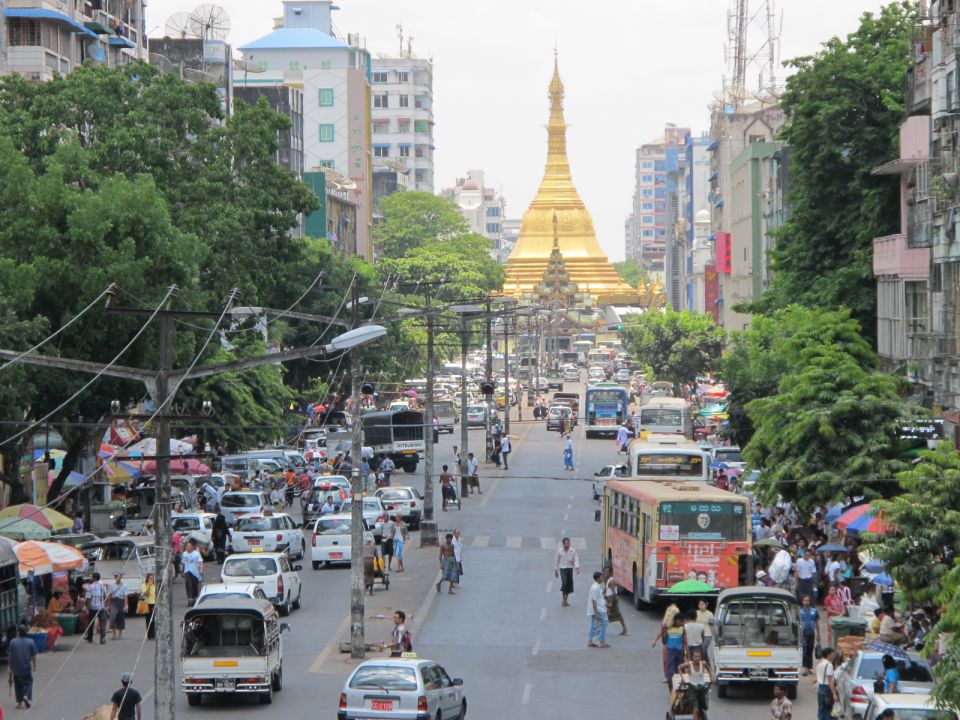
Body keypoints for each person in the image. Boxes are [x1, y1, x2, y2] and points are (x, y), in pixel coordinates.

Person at [678, 647, 714, 720]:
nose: (697, 658)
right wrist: (682, 678)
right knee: (695, 708)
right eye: (696, 657)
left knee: (704, 707)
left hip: (701, 689)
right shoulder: (689, 664)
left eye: (699, 657)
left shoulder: (703, 663)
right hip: (692, 689)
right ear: (692, 657)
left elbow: (709, 669)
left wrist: (711, 676)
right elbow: (679, 667)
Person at [8, 626, 37, 709]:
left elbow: (10, 656)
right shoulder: (31, 642)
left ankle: (19, 702)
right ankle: (26, 696)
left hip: (16, 667)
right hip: (26, 667)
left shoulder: (12, 642)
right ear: (26, 632)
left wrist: (10, 667)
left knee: (18, 685)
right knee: (29, 682)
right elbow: (33, 655)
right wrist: (34, 665)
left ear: (18, 633)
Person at [652, 602, 682, 682]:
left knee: (677, 662)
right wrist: (655, 640)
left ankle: (676, 675)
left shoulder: (680, 625)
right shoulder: (666, 625)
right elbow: (661, 632)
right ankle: (667, 676)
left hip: (678, 646)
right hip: (668, 645)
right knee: (666, 660)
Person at [555, 537, 580, 607]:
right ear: (563, 544)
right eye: (566, 543)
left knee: (569, 585)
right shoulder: (560, 551)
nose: (567, 544)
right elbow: (556, 561)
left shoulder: (572, 551)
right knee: (564, 583)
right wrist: (556, 570)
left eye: (568, 543)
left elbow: (576, 559)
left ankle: (566, 600)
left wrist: (577, 568)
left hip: (569, 569)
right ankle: (563, 599)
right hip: (562, 569)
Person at [603, 566, 628, 636]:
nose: (605, 573)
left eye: (606, 571)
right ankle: (625, 629)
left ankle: (625, 629)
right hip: (610, 598)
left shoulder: (611, 581)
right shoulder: (609, 580)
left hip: (612, 599)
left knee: (609, 614)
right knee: (613, 614)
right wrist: (603, 593)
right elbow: (606, 588)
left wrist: (611, 602)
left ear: (610, 572)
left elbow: (613, 591)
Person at [587, 571, 609, 649]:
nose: (603, 578)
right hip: (598, 610)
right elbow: (594, 600)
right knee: (604, 623)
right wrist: (596, 612)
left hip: (598, 609)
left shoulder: (596, 586)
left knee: (594, 624)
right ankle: (601, 642)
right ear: (598, 578)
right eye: (601, 577)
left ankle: (590, 641)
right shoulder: (595, 588)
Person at [815, 647, 839, 720]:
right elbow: (830, 681)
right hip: (827, 690)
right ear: (828, 655)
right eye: (832, 654)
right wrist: (834, 693)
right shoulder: (829, 665)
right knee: (828, 711)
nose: (834, 655)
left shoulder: (819, 665)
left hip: (820, 689)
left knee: (821, 710)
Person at [84, 573, 108, 644]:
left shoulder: (90, 587)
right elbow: (104, 596)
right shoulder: (102, 587)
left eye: (92, 577)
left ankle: (90, 638)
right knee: (102, 623)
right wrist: (104, 604)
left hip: (92, 607)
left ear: (94, 578)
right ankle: (102, 639)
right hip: (101, 607)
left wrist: (87, 607)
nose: (91, 578)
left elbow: (88, 598)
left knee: (91, 623)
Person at [799, 594, 820, 675]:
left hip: (811, 632)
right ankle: (804, 668)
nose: (806, 602)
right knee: (804, 650)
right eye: (805, 600)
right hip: (803, 633)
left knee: (810, 650)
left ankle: (809, 667)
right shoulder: (800, 612)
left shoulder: (814, 611)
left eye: (808, 600)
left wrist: (818, 634)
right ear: (802, 602)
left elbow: (817, 622)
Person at [663, 614, 686, 684]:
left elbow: (684, 641)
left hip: (679, 651)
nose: (681, 623)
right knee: (671, 667)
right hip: (670, 651)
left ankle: (678, 682)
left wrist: (684, 652)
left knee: (679, 667)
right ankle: (670, 682)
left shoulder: (682, 629)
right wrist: (664, 632)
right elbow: (664, 641)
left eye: (682, 621)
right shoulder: (669, 629)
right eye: (680, 621)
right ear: (675, 621)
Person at [181, 540, 204, 606]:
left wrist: (201, 571)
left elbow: (200, 563)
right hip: (187, 571)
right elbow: (183, 563)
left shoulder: (196, 554)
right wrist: (182, 572)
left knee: (194, 586)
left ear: (192, 547)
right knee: (188, 585)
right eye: (186, 546)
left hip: (195, 573)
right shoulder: (184, 554)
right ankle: (189, 599)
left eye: (189, 546)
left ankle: (194, 599)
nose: (187, 547)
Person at [108, 572, 129, 640]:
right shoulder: (111, 585)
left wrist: (126, 605)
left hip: (121, 601)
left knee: (120, 618)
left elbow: (125, 596)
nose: (117, 577)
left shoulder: (124, 585)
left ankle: (120, 634)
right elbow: (110, 595)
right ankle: (114, 634)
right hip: (114, 601)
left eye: (118, 576)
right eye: (116, 576)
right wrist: (108, 604)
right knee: (112, 618)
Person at [140, 573, 157, 641]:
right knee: (148, 619)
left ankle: (153, 634)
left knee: (153, 620)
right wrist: (149, 586)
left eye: (152, 578)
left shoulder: (155, 585)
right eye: (150, 578)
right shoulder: (144, 585)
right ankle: (149, 635)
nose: (151, 580)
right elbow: (146, 594)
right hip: (147, 604)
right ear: (147, 579)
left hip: (154, 603)